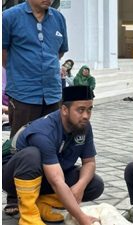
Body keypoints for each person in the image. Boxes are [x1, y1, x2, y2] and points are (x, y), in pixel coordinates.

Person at [2, 86, 104, 225]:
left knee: (94, 184)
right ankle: (29, 216)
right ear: (64, 110)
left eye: (89, 109)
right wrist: (81, 218)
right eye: (80, 110)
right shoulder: (43, 132)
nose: (86, 115)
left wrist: (80, 186)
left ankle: (44, 204)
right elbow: (57, 181)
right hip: (14, 177)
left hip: (49, 175)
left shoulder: (83, 125)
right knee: (32, 155)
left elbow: (89, 162)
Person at [2, 0, 69, 215]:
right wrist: (22, 70)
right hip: (23, 92)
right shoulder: (10, 17)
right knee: (20, 144)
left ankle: (45, 193)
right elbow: (4, 55)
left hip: (52, 93)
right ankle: (15, 196)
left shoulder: (58, 18)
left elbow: (59, 53)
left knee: (54, 143)